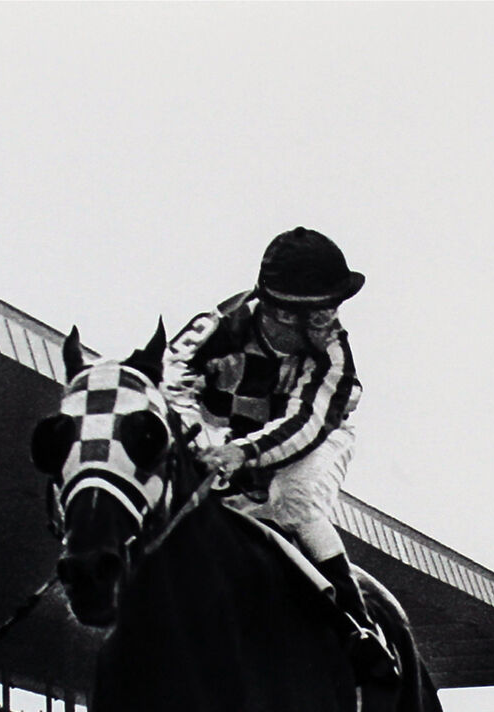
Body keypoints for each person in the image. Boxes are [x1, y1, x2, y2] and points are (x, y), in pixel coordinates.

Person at [164, 227, 400, 684]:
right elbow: (170, 384)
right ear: (279, 312)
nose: (330, 323)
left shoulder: (333, 350)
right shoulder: (213, 329)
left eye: (332, 310)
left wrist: (243, 453)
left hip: (311, 438)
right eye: (317, 315)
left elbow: (306, 423)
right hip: (220, 436)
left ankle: (357, 623)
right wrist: (203, 445)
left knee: (295, 496)